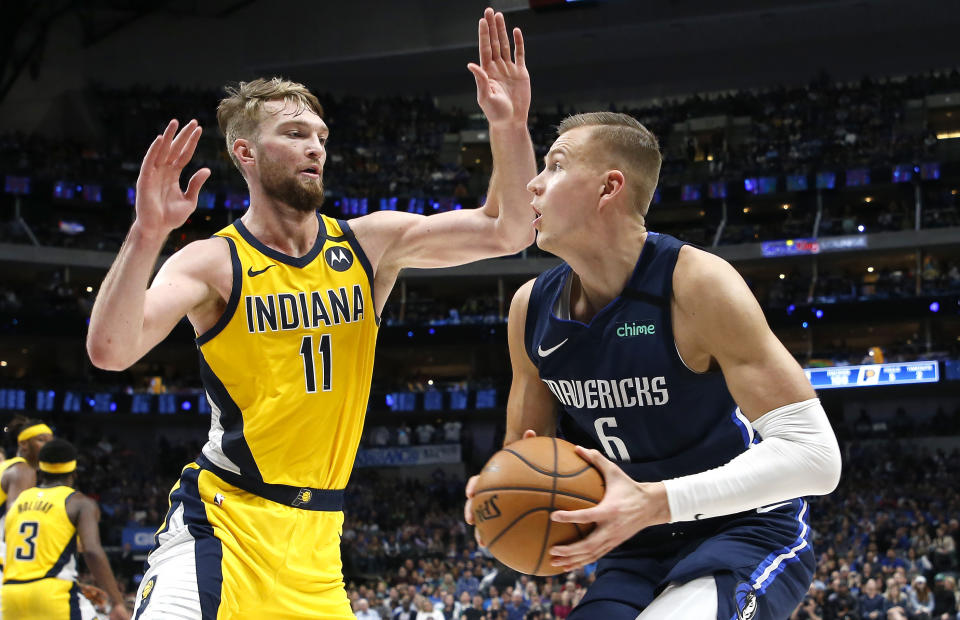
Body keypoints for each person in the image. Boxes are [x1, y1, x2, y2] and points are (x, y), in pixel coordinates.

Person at [86, 8, 535, 618]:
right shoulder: (213, 262)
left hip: (319, 551)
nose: (315, 147)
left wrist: (508, 126)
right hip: (222, 527)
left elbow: (508, 230)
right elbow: (111, 351)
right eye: (296, 133)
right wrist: (145, 234)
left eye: (321, 136)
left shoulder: (369, 244)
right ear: (245, 152)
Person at [465, 112, 842, 619]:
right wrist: (499, 492)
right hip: (634, 542)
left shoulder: (696, 283)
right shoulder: (529, 309)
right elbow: (526, 453)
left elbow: (817, 458)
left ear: (609, 188)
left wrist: (656, 501)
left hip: (744, 527)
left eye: (554, 166)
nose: (533, 183)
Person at [1, 438, 130, 619]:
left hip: (10, 595)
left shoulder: (18, 502)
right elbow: (91, 550)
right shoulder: (79, 502)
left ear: (40, 469)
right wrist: (117, 601)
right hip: (52, 594)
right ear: (74, 472)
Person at [0, 416, 53, 598]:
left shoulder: (7, 467)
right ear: (23, 445)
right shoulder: (23, 471)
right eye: (41, 440)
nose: (48, 446)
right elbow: (16, 521)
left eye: (50, 441)